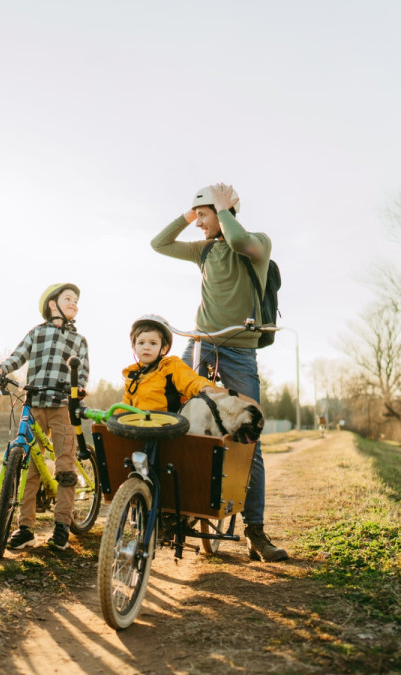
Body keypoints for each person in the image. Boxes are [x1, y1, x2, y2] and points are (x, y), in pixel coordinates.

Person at [150, 183, 288, 562]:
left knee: (248, 436)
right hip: (202, 343)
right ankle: (169, 513)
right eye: (197, 217)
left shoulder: (257, 244)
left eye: (204, 215)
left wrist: (224, 211)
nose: (198, 224)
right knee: (178, 421)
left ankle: (255, 532)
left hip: (240, 352)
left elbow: (241, 240)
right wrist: (190, 214)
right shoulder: (204, 249)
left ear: (225, 211)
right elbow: (158, 244)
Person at [0, 283, 90, 551]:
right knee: (29, 465)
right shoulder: (37, 333)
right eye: (68, 299)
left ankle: (62, 525)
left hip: (62, 405)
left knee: (65, 467)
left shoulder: (79, 341)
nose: (74, 303)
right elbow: (17, 357)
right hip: (33, 403)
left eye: (76, 300)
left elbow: (83, 372)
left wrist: (80, 387)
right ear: (52, 304)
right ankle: (25, 527)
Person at [122, 314, 218, 413]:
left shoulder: (170, 366)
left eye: (153, 343)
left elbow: (190, 381)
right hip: (138, 423)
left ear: (164, 348)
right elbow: (126, 403)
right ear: (134, 347)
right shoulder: (132, 375)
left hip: (167, 423)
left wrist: (203, 386)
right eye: (141, 343)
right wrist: (114, 415)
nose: (146, 347)